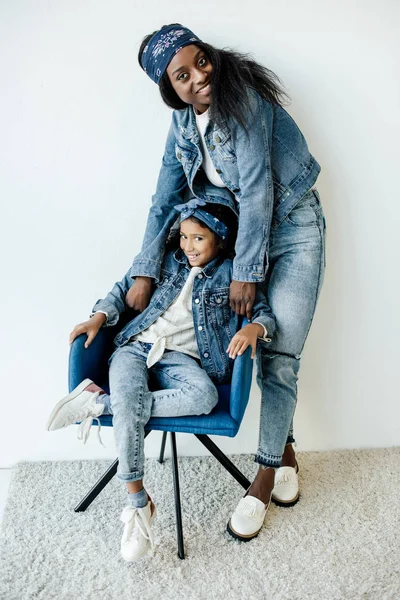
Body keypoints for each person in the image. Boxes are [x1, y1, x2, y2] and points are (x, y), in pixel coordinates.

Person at [125, 24, 326, 541]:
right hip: (243, 238)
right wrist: (146, 268)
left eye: (202, 61)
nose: (200, 76)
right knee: (251, 346)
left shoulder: (245, 99)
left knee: (278, 352)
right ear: (170, 88)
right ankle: (284, 451)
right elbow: (164, 198)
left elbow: (258, 190)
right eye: (183, 75)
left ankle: (262, 478)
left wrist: (245, 271)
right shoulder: (182, 124)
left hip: (294, 228)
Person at [46, 201, 276, 561]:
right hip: (134, 348)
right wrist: (99, 316)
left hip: (179, 359)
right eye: (184, 236)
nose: (188, 245)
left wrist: (254, 327)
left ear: (221, 240)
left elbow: (263, 312)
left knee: (201, 397)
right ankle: (138, 505)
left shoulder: (233, 274)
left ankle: (97, 403)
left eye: (198, 237)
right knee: (130, 396)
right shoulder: (165, 261)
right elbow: (121, 290)